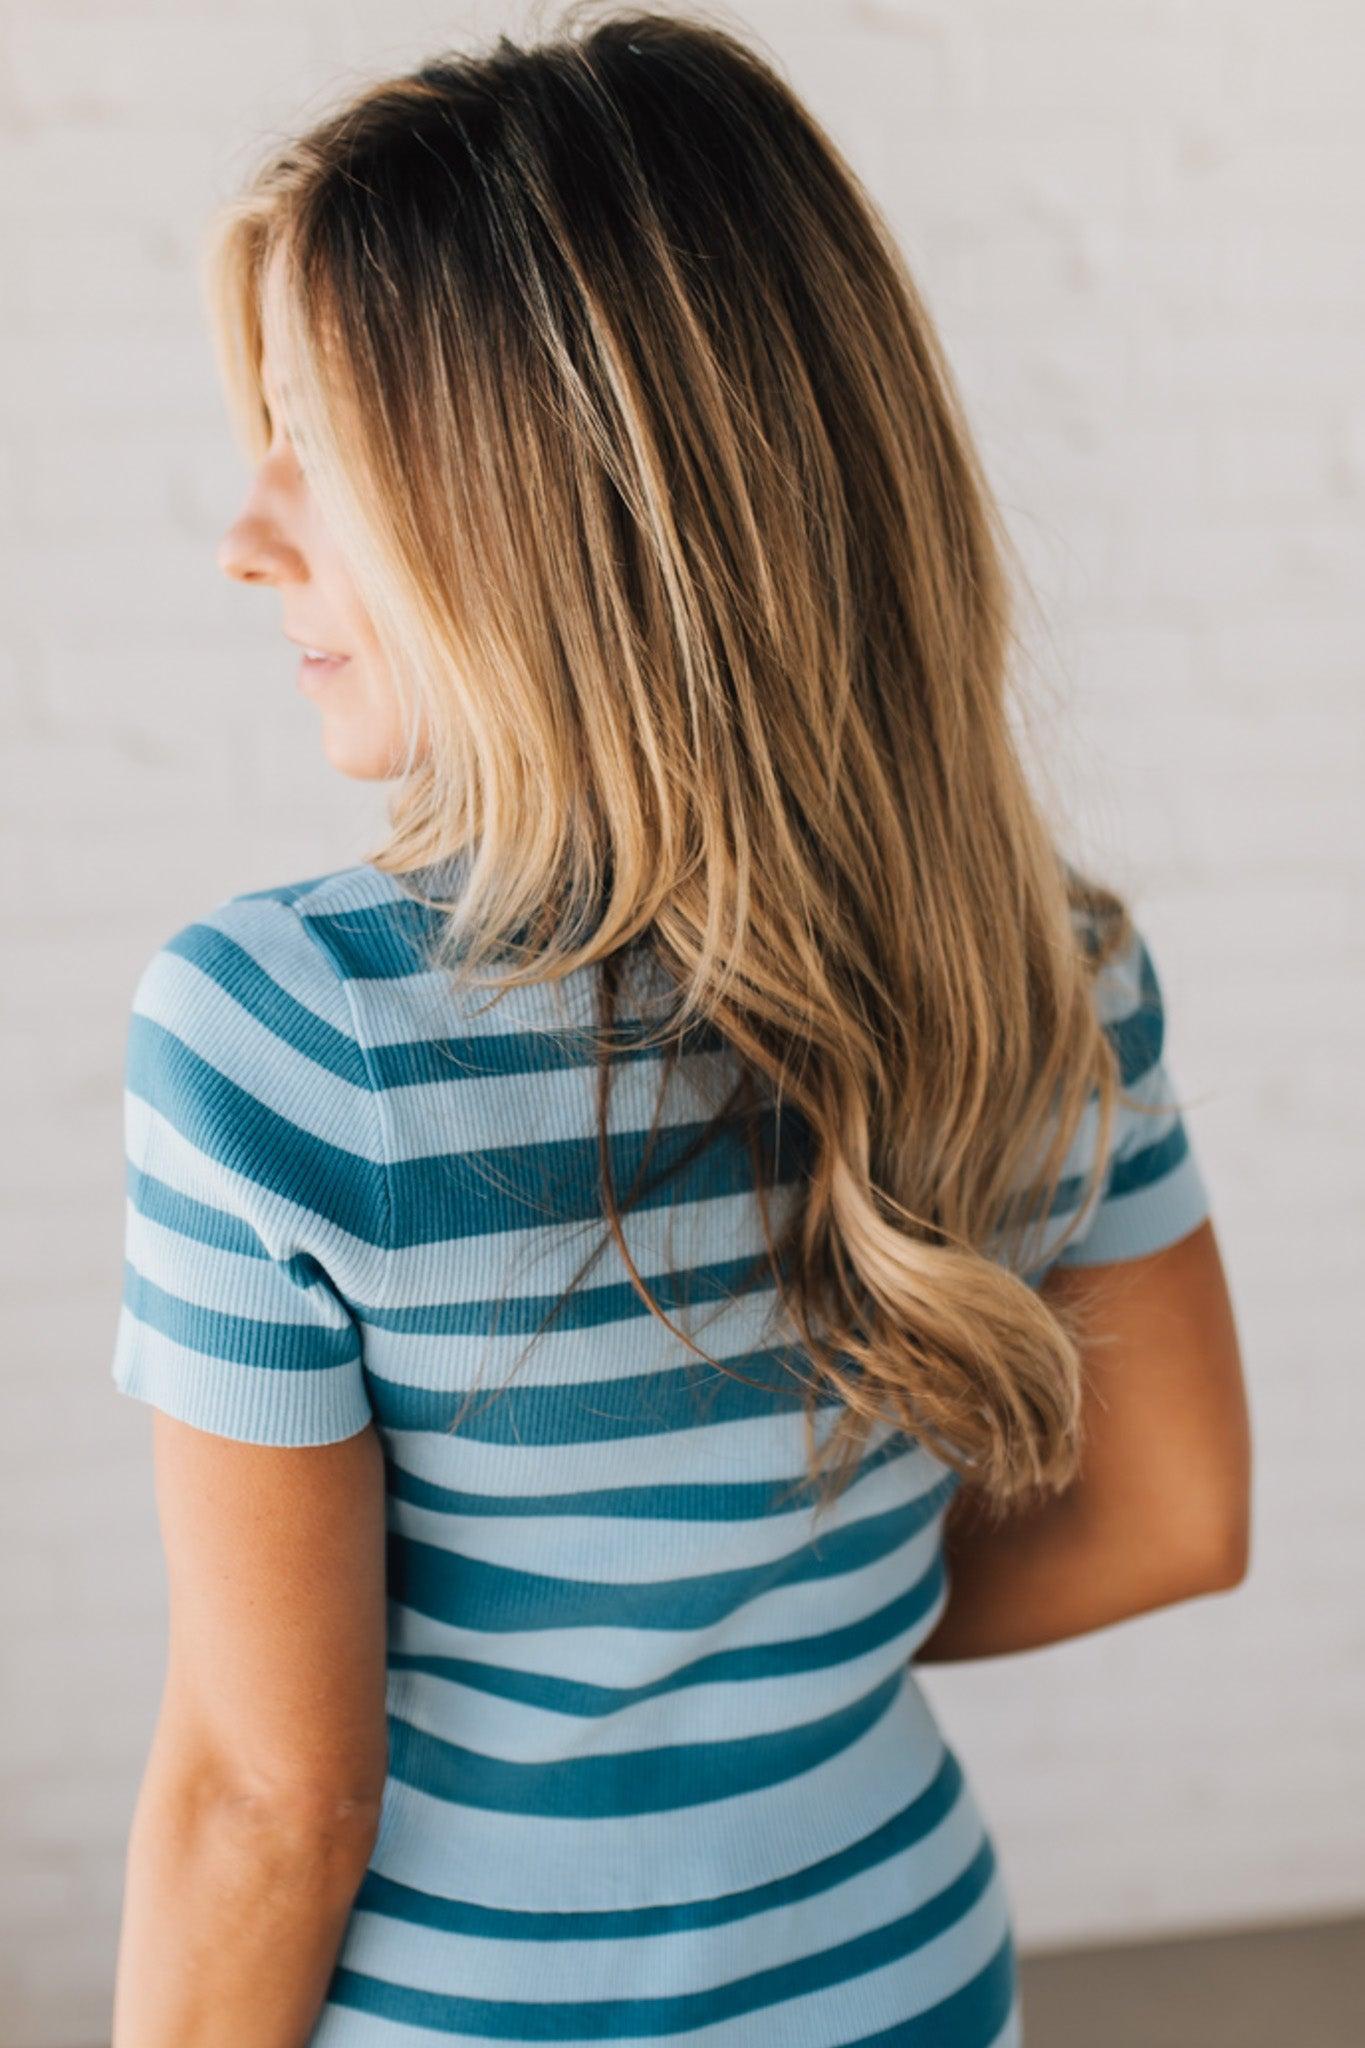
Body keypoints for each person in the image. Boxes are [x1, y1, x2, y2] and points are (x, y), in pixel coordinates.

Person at [107, 9, 1252, 2044]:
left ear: (554, 505)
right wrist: (756, 1654)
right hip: (903, 1973)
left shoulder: (285, 1041)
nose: (245, 533)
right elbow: (1167, 1513)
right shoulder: (1041, 958)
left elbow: (269, 1796)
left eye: (321, 444)